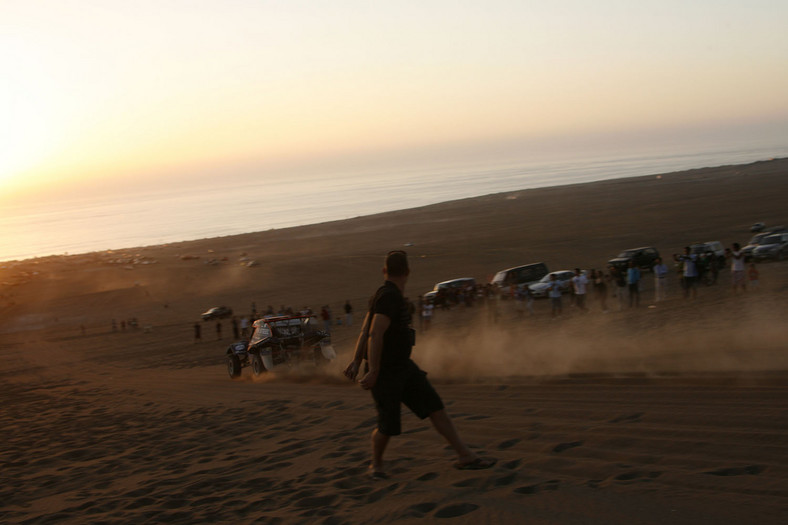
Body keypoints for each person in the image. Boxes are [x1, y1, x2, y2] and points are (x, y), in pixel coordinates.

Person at [344, 251, 495, 479]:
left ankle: (464, 456)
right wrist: (373, 370)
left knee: (435, 407)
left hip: (404, 367)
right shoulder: (388, 297)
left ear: (384, 271)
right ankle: (375, 466)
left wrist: (356, 361)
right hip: (386, 372)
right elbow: (374, 333)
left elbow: (365, 330)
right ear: (407, 272)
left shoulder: (384, 295)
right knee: (388, 425)